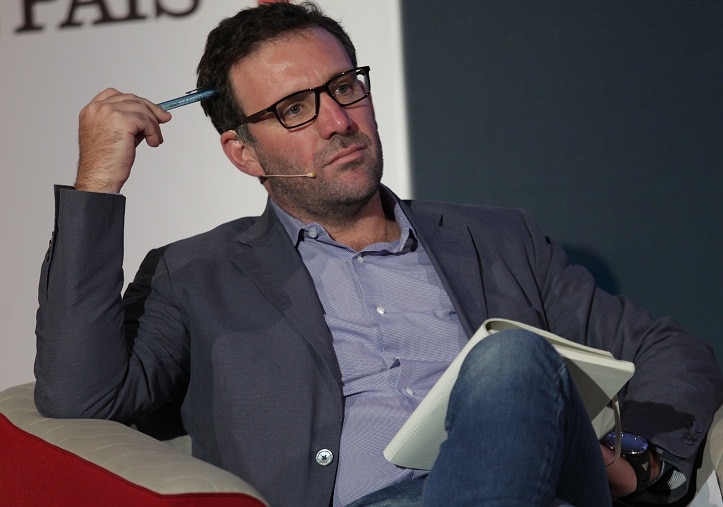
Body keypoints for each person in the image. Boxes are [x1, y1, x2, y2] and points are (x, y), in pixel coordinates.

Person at [33, 2, 722, 506]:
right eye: (295, 109)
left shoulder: (496, 238)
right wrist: (98, 184)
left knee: (509, 359)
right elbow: (81, 398)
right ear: (244, 153)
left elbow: (666, 348)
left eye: (343, 87)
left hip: (541, 490)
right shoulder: (194, 274)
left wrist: (642, 462)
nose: (339, 121)